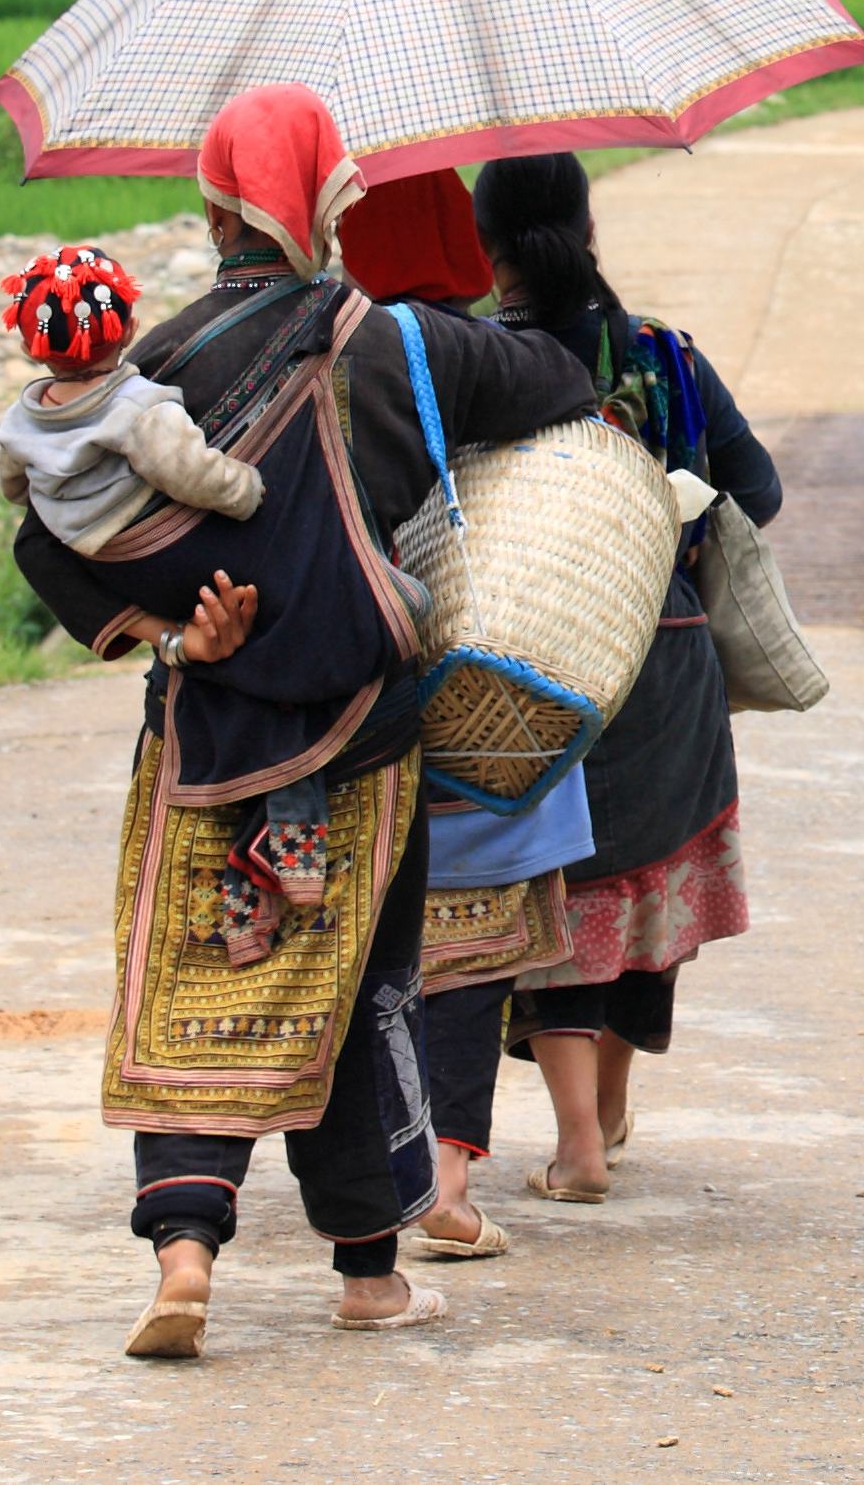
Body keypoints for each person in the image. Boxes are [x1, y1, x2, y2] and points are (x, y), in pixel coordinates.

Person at [10, 92, 595, 1358]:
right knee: (357, 992)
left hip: (206, 731)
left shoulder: (146, 366)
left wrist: (166, 638)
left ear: (213, 205)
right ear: (335, 200)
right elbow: (557, 380)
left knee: (192, 977)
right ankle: (369, 1276)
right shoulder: (395, 344)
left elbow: (42, 540)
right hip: (362, 730)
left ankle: (183, 1256)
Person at [472, 152, 784, 1203]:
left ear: (487, 240)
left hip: (532, 661)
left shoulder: (471, 357)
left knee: (555, 883)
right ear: (586, 217)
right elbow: (760, 488)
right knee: (640, 879)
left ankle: (578, 1142)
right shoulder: (662, 355)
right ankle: (603, 1108)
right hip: (669, 652)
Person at [332, 169, 583, 1265]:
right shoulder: (476, 353)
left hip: (346, 683)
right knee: (471, 951)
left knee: (369, 946)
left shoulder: (316, 344)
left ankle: (358, 1167)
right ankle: (440, 1170)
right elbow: (573, 394)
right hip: (477, 679)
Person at [0, 244, 332, 928]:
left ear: (34, 347)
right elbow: (194, 474)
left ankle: (233, 831)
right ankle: (290, 836)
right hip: (176, 551)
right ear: (123, 327)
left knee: (231, 664)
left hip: (101, 559)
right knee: (297, 632)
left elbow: (11, 486)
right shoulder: (138, 406)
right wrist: (250, 493)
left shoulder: (23, 420)